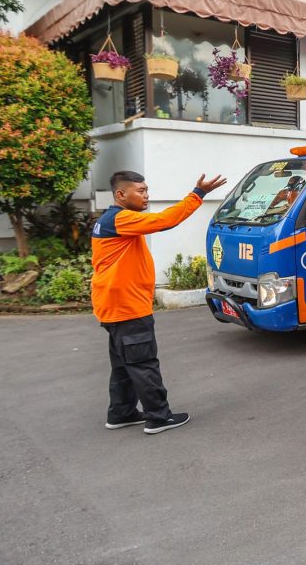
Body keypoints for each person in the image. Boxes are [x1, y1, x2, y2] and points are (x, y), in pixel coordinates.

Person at [92, 170, 227, 434]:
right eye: (140, 191)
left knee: (124, 365)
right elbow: (165, 220)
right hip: (128, 307)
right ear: (121, 194)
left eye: (147, 190)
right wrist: (198, 194)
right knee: (143, 364)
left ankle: (121, 413)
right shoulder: (121, 218)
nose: (147, 195)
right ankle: (158, 417)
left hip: (114, 305)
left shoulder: (110, 220)